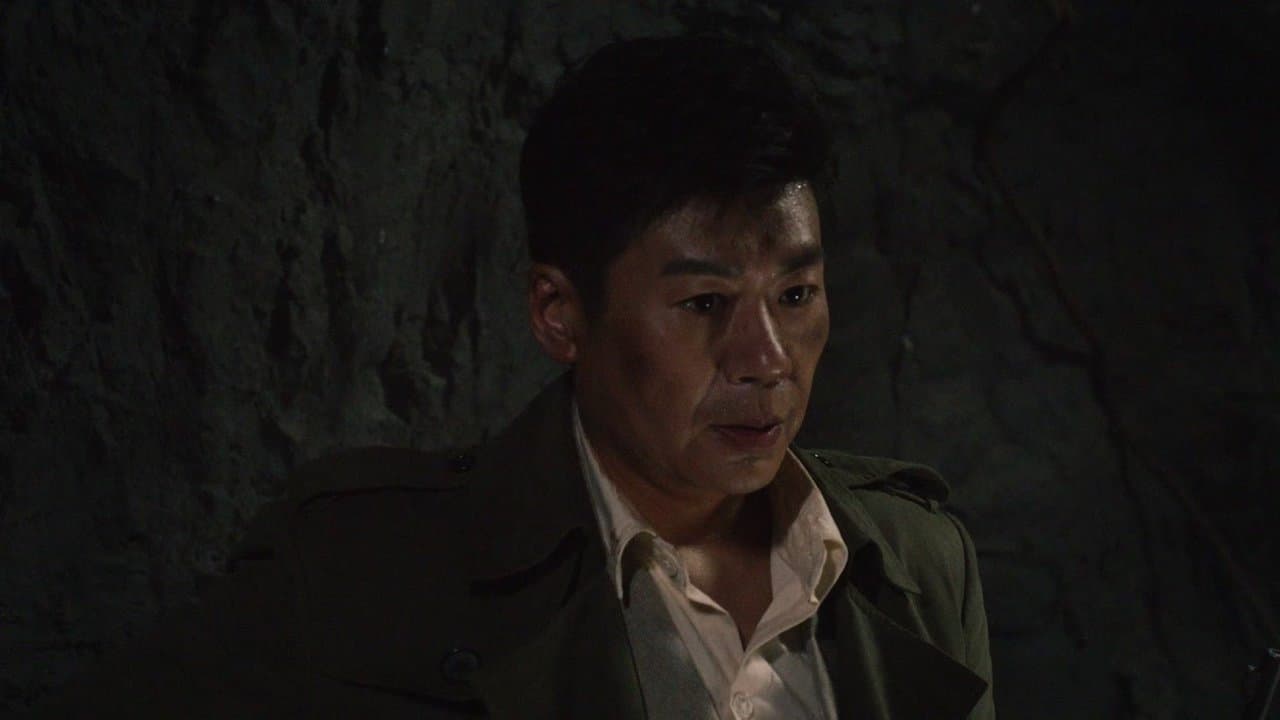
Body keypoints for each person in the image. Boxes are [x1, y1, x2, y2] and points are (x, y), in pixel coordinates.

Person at [38, 35, 994, 719]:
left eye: (796, 293)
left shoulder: (912, 563)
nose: (768, 358)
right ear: (559, 315)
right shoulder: (363, 567)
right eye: (706, 304)